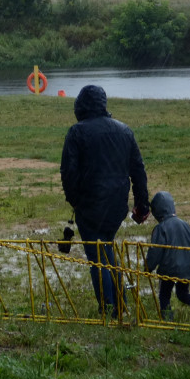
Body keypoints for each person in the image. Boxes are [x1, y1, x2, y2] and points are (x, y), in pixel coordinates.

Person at [60, 84, 149, 317]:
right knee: (106, 250)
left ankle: (109, 308)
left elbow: (68, 173)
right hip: (117, 205)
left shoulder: (77, 132)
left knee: (97, 258)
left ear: (81, 105)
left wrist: (75, 200)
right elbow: (138, 170)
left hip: (89, 205)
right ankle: (119, 305)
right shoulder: (124, 131)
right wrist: (142, 204)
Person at [145, 191, 190, 322]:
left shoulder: (160, 228)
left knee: (164, 295)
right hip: (186, 268)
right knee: (183, 293)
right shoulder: (185, 224)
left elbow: (156, 250)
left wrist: (148, 267)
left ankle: (168, 320)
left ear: (156, 210)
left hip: (168, 268)